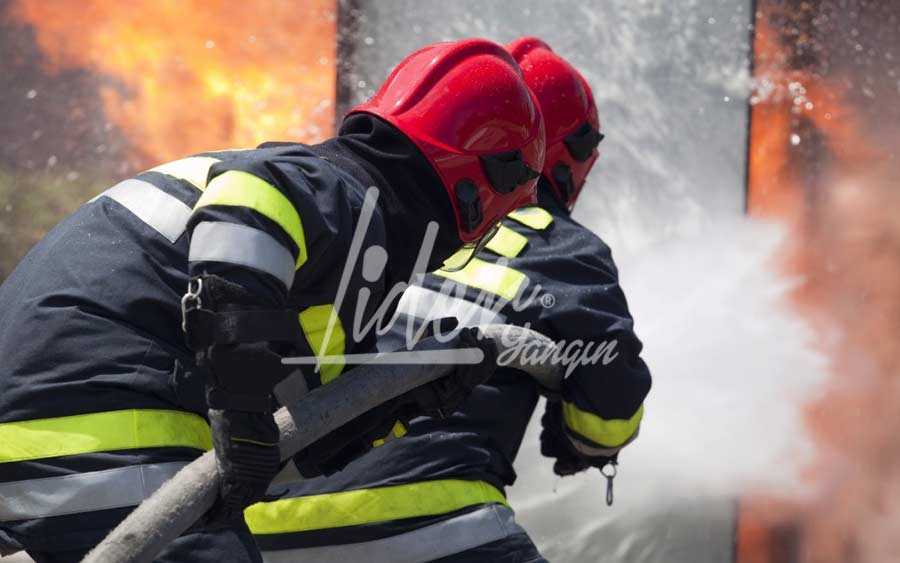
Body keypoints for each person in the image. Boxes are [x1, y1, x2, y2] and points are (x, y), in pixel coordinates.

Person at [0, 38, 545, 563]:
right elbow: (253, 198)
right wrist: (239, 405)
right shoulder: (338, 191)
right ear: (478, 191)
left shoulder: (328, 252)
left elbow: (282, 448)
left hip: (42, 427)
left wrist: (409, 399)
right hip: (99, 423)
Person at [249, 37, 652, 563]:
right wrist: (581, 439)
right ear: (561, 156)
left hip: (259, 526)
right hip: (425, 521)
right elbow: (611, 411)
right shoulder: (560, 246)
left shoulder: (378, 219)